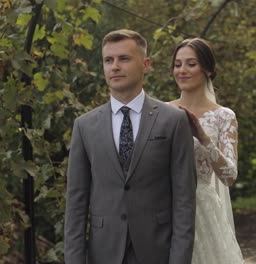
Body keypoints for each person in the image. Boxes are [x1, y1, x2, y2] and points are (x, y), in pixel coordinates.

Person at [64, 29, 197, 264]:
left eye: (124, 58)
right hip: (103, 253)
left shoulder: (173, 121)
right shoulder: (84, 126)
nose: (115, 66)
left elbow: (184, 202)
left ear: (146, 64)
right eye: (108, 60)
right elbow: (76, 203)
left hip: (157, 251)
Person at [169, 37, 244, 264]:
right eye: (178, 64)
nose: (182, 70)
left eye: (191, 64)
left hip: (200, 210)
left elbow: (229, 175)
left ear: (208, 70)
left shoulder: (224, 116)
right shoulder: (160, 112)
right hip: (162, 208)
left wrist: (202, 136)